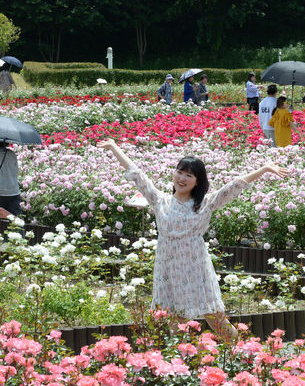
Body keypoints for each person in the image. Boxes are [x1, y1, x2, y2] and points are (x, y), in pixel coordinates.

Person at [98, 138, 288, 341]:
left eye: (189, 175)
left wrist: (264, 169)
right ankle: (180, 365)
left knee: (216, 319)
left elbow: (234, 186)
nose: (182, 178)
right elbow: (137, 174)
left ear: (197, 182)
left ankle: (241, 354)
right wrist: (113, 147)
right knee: (173, 321)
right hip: (168, 268)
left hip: (196, 269)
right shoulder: (159, 200)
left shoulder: (205, 204)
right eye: (179, 172)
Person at [0, 142, 21, 218]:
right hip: (13, 192)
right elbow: (16, 171)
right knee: (15, 223)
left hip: (1, 192)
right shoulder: (11, 154)